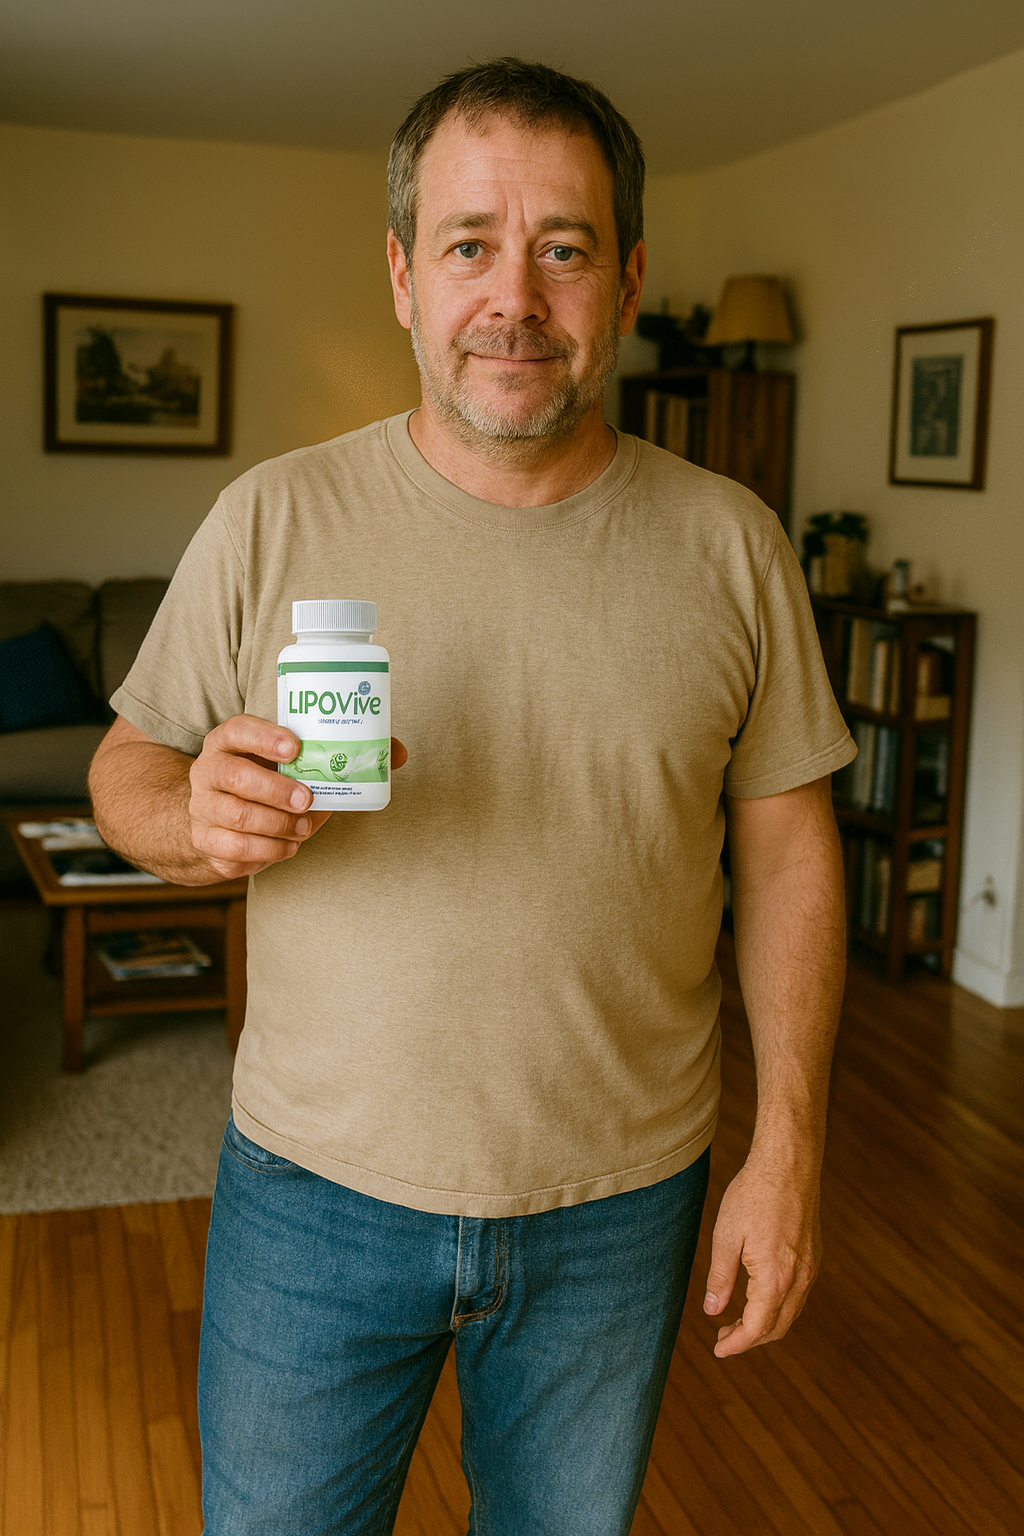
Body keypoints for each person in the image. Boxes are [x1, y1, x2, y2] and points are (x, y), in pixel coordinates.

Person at [89, 56, 854, 1536]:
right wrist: (190, 819)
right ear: (401, 275)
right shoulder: (272, 515)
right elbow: (128, 768)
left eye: (563, 248)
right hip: (312, 1196)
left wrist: (791, 1148)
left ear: (627, 281)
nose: (515, 297)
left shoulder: (734, 546)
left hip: (619, 1209)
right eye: (468, 244)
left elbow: (788, 858)